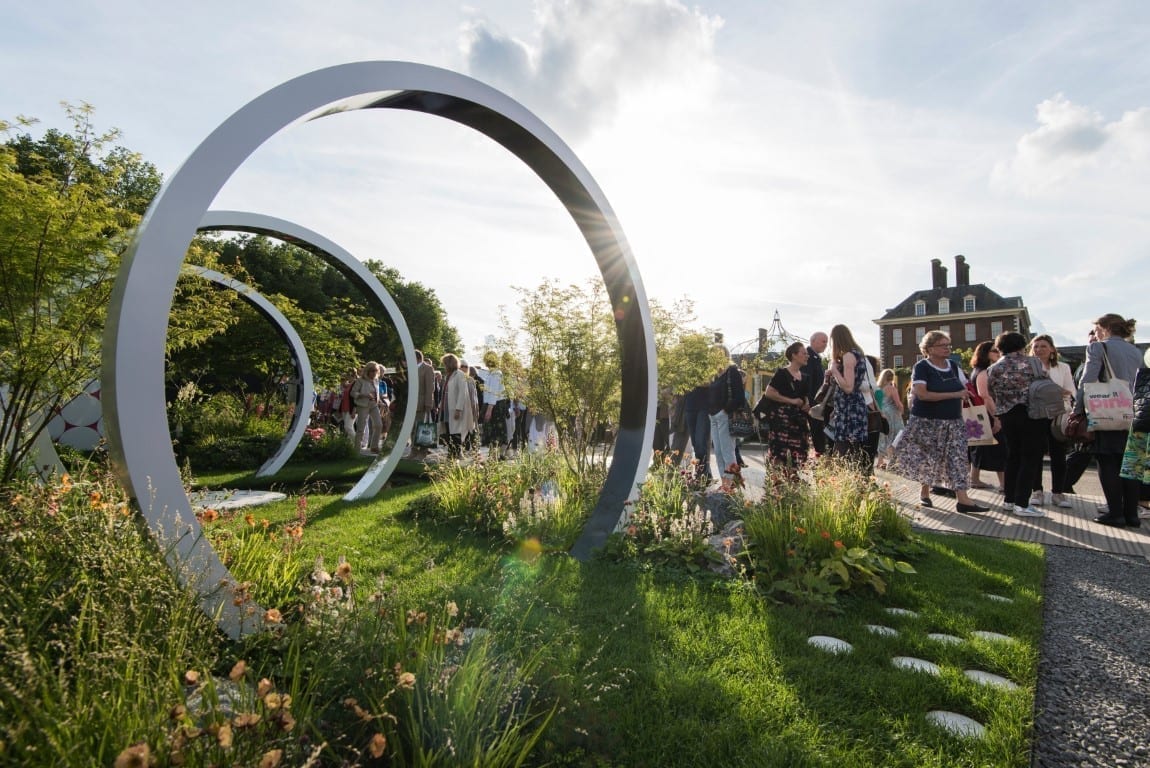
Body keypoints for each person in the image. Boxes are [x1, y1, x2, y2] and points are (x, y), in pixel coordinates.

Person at [887, 331, 989, 513]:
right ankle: (924, 492)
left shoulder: (953, 366)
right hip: (927, 422)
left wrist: (968, 395)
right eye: (943, 345)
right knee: (928, 457)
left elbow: (965, 387)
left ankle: (963, 500)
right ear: (929, 348)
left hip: (953, 421)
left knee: (957, 458)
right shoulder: (922, 367)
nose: (947, 348)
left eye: (948, 345)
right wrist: (955, 394)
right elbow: (922, 394)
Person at [1077, 314, 1145, 527]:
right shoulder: (1136, 351)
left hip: (1108, 411)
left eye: (1097, 328)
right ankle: (1132, 515)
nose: (1096, 333)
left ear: (1105, 328)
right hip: (1135, 413)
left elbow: (1086, 381)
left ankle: (1115, 512)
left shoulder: (1098, 348)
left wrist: (1077, 410)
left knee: (1107, 461)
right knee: (1130, 463)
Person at [986, 331, 1047, 517]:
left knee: (1012, 457)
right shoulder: (1033, 363)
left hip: (1007, 414)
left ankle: (1009, 500)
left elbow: (991, 390)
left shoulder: (994, 368)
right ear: (1022, 345)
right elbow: (1044, 385)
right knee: (1030, 458)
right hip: (1032, 413)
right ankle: (1022, 503)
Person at [1027, 335, 1075, 508]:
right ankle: (1036, 491)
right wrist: (1053, 390)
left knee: (1058, 455)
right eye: (1036, 346)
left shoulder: (1063, 367)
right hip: (1036, 415)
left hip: (1057, 415)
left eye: (1043, 346)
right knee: (1035, 454)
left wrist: (1049, 390)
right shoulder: (1028, 367)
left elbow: (1069, 391)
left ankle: (1058, 493)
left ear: (1052, 349)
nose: (1039, 349)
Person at [758, 341, 812, 468]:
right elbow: (769, 392)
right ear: (794, 355)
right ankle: (778, 484)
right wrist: (792, 401)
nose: (807, 356)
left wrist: (806, 404)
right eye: (804, 353)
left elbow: (804, 397)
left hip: (798, 423)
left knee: (798, 455)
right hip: (781, 422)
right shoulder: (782, 373)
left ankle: (792, 483)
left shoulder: (805, 378)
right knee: (779, 455)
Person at [827, 324, 870, 473]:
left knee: (844, 449)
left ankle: (843, 484)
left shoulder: (848, 356)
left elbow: (848, 387)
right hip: (850, 406)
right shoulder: (858, 354)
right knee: (852, 448)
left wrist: (834, 371)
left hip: (849, 408)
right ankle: (852, 482)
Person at [967, 341, 1005, 491]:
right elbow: (985, 396)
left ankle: (975, 479)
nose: (998, 353)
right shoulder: (983, 372)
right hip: (986, 414)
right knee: (1000, 449)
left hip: (979, 415)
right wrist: (996, 417)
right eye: (994, 351)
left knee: (979, 448)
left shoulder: (977, 370)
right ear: (986, 354)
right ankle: (1004, 484)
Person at [707, 347, 744, 490]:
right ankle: (725, 483)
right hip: (714, 417)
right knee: (718, 452)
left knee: (727, 451)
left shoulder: (732, 371)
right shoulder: (715, 375)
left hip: (725, 416)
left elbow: (739, 397)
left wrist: (724, 411)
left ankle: (731, 484)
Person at [440, 353, 476, 458]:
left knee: (456, 431)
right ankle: (451, 453)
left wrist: (458, 409)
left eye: (445, 364)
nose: (444, 366)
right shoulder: (449, 375)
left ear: (449, 364)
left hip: (455, 408)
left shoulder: (459, 374)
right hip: (447, 408)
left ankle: (455, 453)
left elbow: (462, 393)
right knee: (449, 431)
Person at [802, 331, 829, 455]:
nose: (825, 344)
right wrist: (809, 402)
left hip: (816, 403)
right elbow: (806, 381)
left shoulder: (816, 358)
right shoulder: (808, 357)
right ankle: (820, 457)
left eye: (827, 342)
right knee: (817, 433)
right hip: (810, 404)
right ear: (813, 341)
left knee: (819, 433)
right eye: (823, 341)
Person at [874, 368, 905, 467]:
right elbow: (898, 403)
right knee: (898, 435)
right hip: (893, 414)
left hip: (881, 414)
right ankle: (892, 461)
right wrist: (902, 410)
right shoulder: (892, 389)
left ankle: (880, 461)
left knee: (883, 437)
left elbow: (876, 404)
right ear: (891, 378)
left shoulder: (877, 389)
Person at [351, 362, 383, 455]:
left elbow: (376, 394)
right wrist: (363, 395)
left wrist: (380, 402)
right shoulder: (360, 381)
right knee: (361, 428)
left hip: (374, 405)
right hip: (363, 405)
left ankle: (374, 446)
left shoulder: (376, 380)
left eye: (376, 371)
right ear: (367, 371)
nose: (374, 373)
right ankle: (356, 450)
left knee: (379, 425)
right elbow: (353, 393)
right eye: (372, 371)